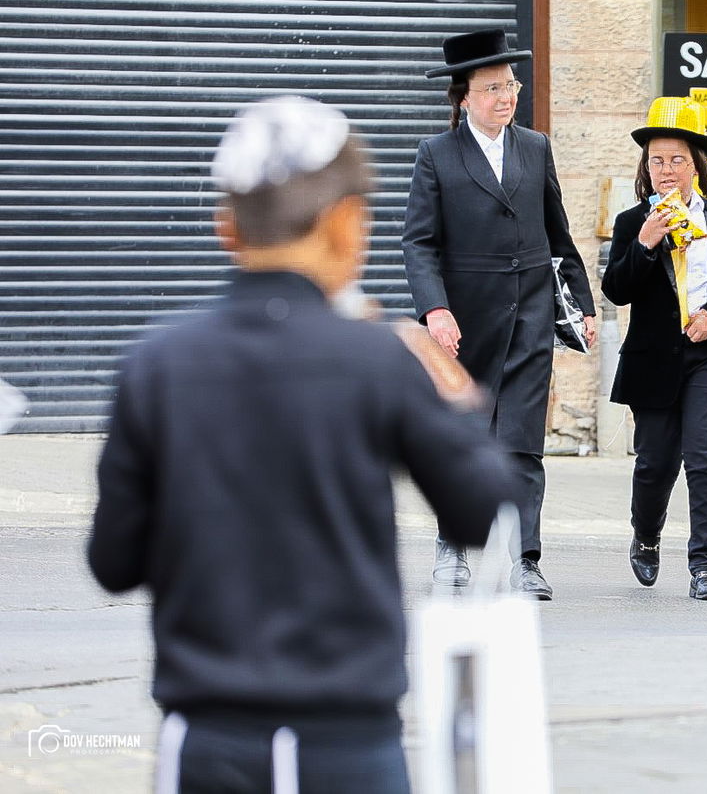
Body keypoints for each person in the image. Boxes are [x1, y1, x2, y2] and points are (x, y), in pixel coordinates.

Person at [88, 97, 517, 793]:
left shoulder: (156, 365)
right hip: (348, 745)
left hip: (204, 740)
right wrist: (453, 393)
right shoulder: (377, 360)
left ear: (227, 229)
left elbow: (113, 561)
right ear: (347, 225)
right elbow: (481, 508)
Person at [404, 29, 597, 599]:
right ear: (464, 97)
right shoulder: (436, 155)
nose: (506, 96)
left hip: (531, 314)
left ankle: (525, 559)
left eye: (510, 85)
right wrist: (435, 310)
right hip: (463, 323)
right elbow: (418, 243)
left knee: (521, 442)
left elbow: (558, 233)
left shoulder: (535, 147)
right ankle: (451, 547)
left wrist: (581, 304)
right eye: (493, 88)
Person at [601, 97, 707, 601]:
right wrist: (646, 244)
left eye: (677, 159)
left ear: (697, 165)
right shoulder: (634, 222)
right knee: (655, 463)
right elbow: (615, 289)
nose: (666, 169)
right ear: (645, 167)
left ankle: (705, 565)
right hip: (653, 360)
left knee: (706, 456)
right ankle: (646, 536)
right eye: (657, 160)